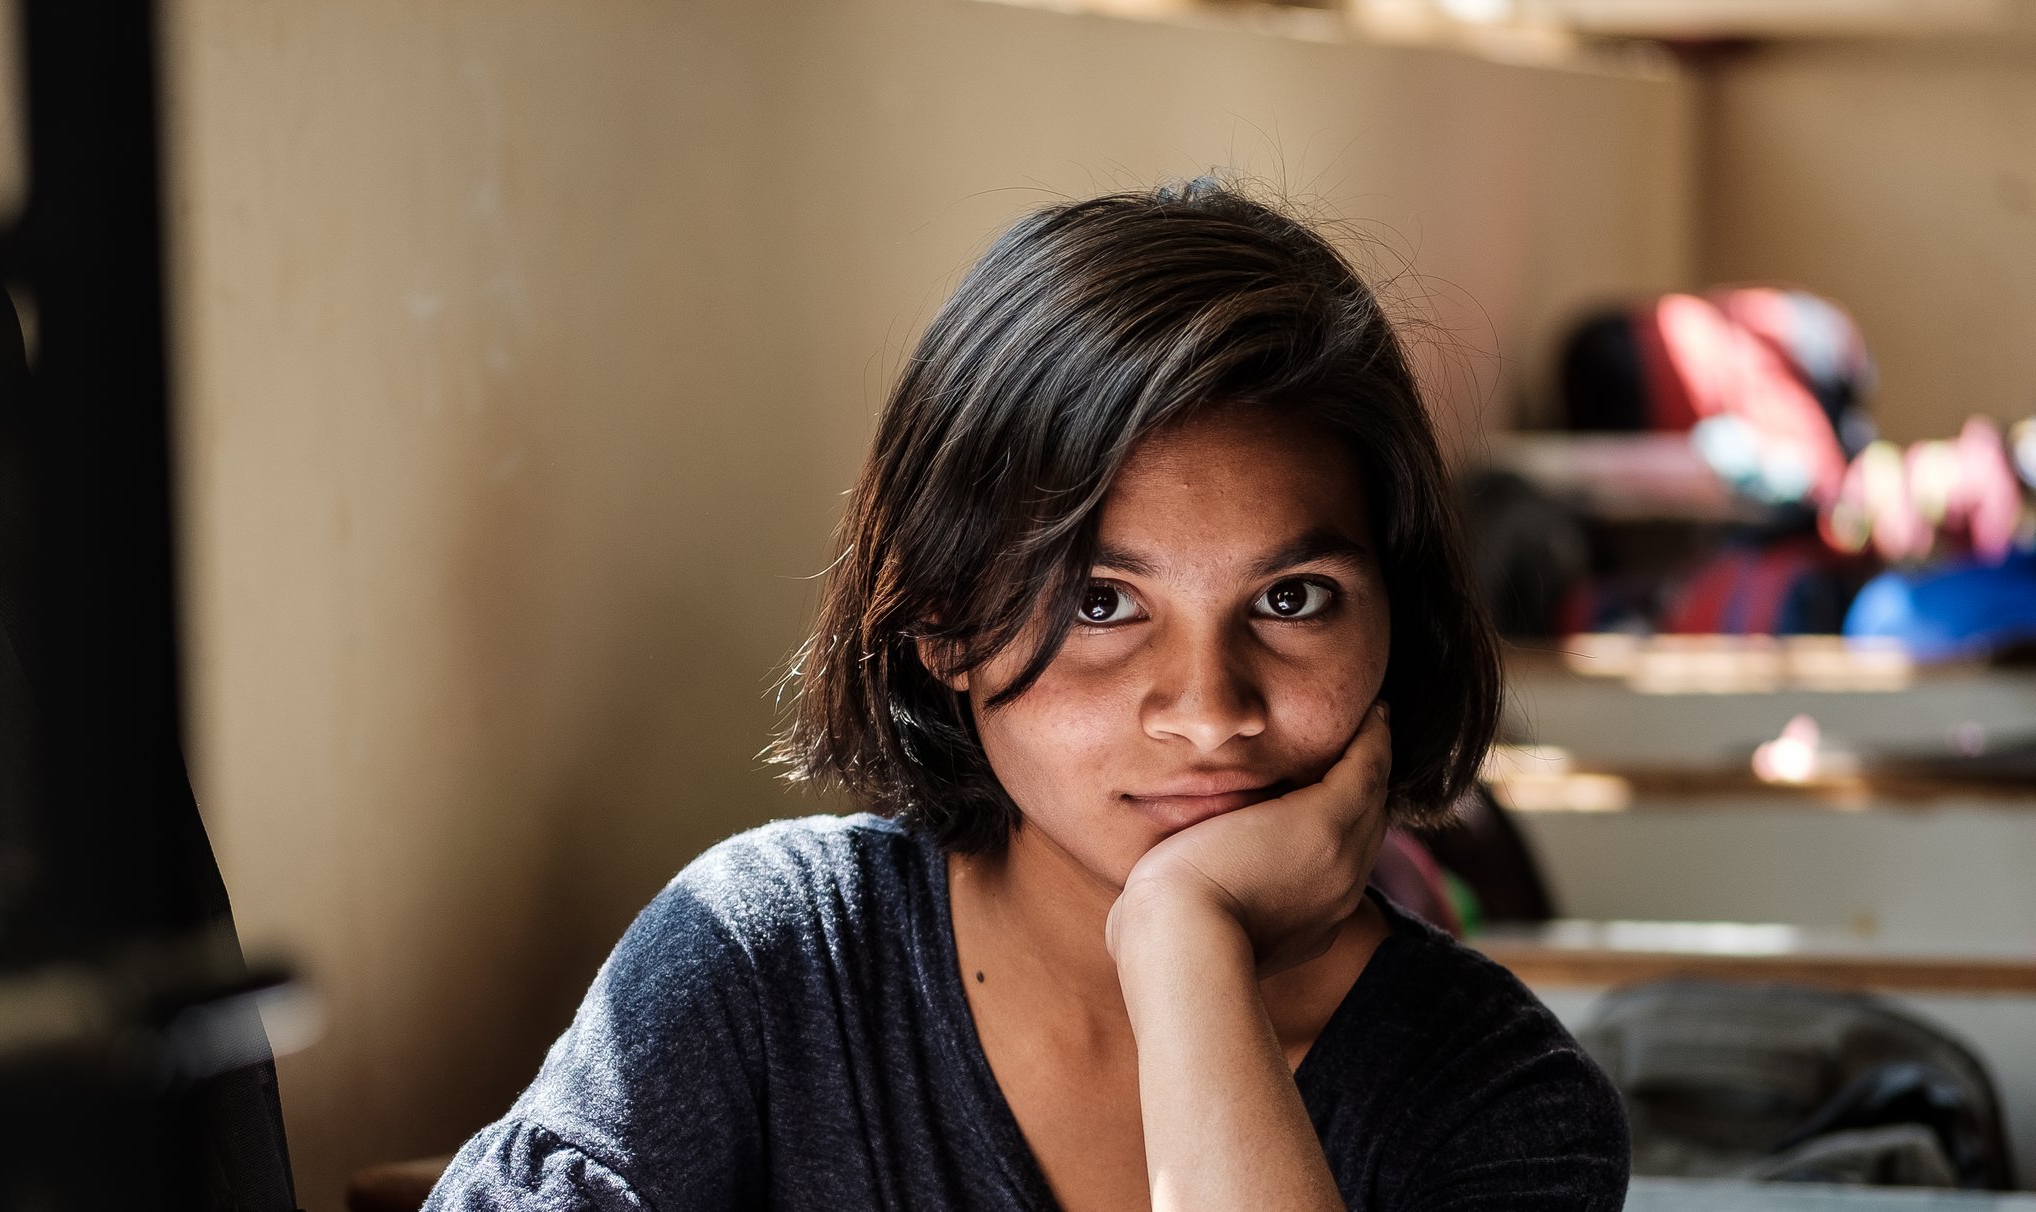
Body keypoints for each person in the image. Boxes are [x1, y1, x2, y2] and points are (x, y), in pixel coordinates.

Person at [424, 180, 1629, 1211]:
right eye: (1103, 604)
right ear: (942, 620)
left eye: (1293, 599)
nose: (1209, 712)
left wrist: (1183, 945)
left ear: (1396, 620)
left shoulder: (1496, 1098)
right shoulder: (774, 963)